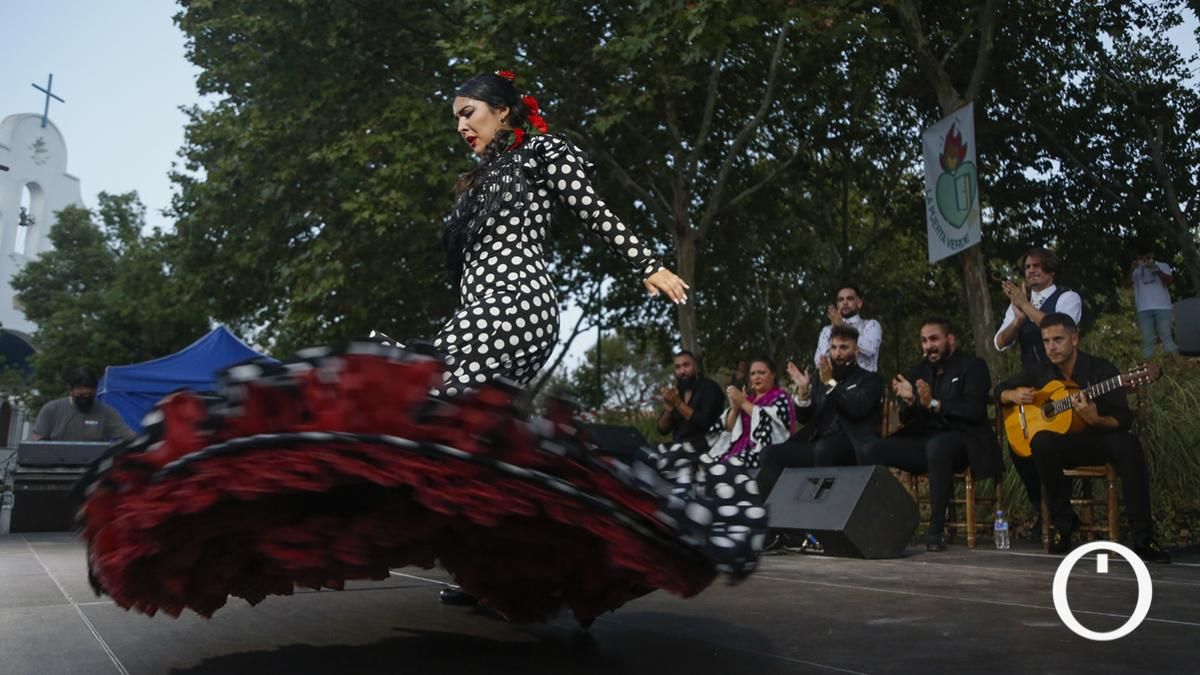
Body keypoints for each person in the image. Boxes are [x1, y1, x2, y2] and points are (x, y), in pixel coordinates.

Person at [77, 70, 767, 627]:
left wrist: (646, 263)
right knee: (454, 438)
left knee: (426, 414)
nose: (461, 125)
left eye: (470, 112)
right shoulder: (474, 184)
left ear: (503, 111)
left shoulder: (541, 154)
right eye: (456, 117)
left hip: (517, 306)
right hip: (472, 315)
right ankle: (502, 569)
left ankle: (563, 542)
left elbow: (591, 207)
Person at [995, 313, 1169, 563]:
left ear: (1074, 339)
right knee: (1040, 442)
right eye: (1046, 341)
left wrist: (1096, 419)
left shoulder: (1101, 370)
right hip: (1064, 445)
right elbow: (999, 389)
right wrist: (1010, 395)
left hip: (1098, 439)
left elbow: (1122, 418)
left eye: (1058, 339)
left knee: (1129, 445)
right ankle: (1064, 524)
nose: (1051, 347)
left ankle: (1143, 538)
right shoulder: (1041, 371)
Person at [861, 318, 1002, 551]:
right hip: (924, 441)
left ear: (950, 339)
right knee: (870, 450)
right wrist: (910, 401)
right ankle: (885, 522)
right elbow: (908, 418)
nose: (929, 346)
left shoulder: (973, 366)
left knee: (939, 446)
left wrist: (934, 403)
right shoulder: (919, 370)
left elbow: (974, 411)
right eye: (924, 341)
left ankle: (936, 531)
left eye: (934, 339)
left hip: (964, 440)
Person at [993, 247, 1082, 516]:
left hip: (1062, 378)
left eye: (1036, 266)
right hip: (1033, 379)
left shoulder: (1067, 297)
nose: (1030, 271)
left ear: (1051, 270)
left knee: (1054, 442)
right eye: (1027, 267)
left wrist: (1025, 306)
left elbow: (1061, 327)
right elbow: (999, 342)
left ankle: (1060, 511)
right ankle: (1041, 509)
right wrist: (1018, 321)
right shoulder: (1021, 304)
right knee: (1019, 445)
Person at [756, 325, 883, 499]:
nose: (837, 353)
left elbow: (856, 408)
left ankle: (821, 509)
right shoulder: (821, 379)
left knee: (824, 449)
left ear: (856, 351)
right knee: (769, 454)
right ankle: (778, 510)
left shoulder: (870, 380)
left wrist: (830, 382)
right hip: (817, 444)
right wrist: (803, 392)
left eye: (844, 348)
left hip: (851, 446)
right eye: (834, 348)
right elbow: (805, 418)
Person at [714, 355, 795, 470]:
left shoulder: (781, 397)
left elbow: (771, 422)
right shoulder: (748, 399)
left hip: (761, 452)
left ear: (773, 375)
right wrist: (735, 408)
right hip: (736, 449)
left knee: (727, 468)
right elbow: (728, 430)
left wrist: (743, 402)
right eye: (753, 374)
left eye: (761, 373)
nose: (756, 377)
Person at [30, 367, 134, 442]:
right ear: (70, 390)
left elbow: (129, 438)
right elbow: (37, 439)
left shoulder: (107, 413)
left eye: (90, 395)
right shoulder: (51, 409)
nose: (85, 399)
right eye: (81, 395)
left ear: (96, 391)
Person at [657, 350, 724, 451]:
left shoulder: (709, 387)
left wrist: (678, 403)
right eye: (678, 367)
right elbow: (662, 430)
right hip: (678, 447)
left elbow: (704, 421)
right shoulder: (676, 392)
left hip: (707, 447)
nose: (682, 371)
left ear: (695, 366)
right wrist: (668, 411)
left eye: (686, 365)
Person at [814, 285, 883, 372]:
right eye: (841, 299)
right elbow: (818, 362)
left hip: (865, 379)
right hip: (835, 380)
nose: (845, 302)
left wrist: (843, 326)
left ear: (859, 303)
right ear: (837, 305)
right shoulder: (827, 330)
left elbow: (871, 349)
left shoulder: (871, 325)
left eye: (849, 299)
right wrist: (834, 332)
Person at [1130, 247, 1178, 358]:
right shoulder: (1136, 270)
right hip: (1143, 308)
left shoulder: (1162, 265)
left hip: (1162, 307)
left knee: (1166, 336)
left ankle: (1173, 362)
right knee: (1147, 339)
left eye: (1147, 257)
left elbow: (1169, 282)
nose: (1144, 260)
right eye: (1141, 258)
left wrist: (1156, 270)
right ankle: (1148, 365)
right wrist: (1131, 269)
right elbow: (1126, 285)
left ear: (1152, 255)